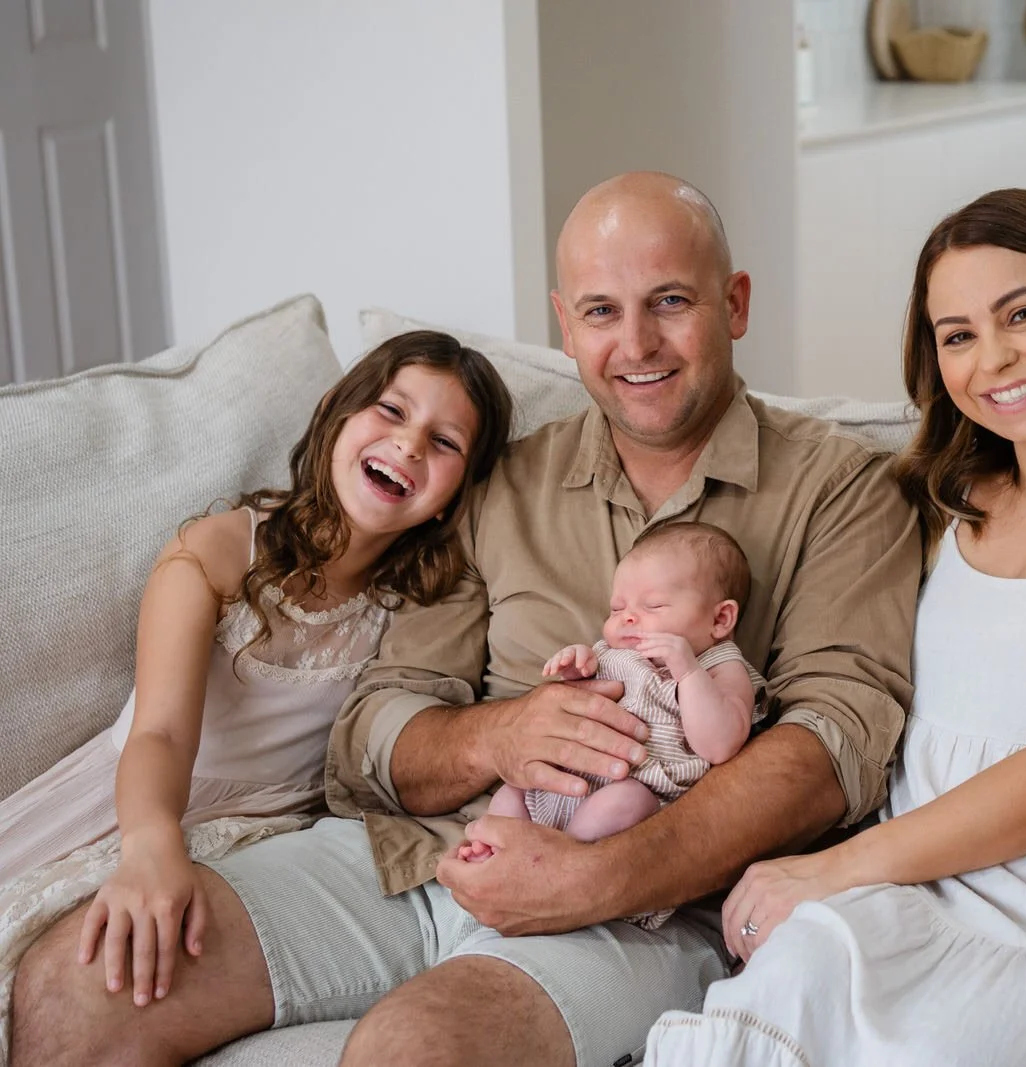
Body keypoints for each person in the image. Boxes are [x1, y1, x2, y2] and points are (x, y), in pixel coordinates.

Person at [11, 171, 920, 1067]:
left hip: (641, 906)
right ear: (565, 325)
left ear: (736, 302)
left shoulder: (841, 489)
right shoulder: (502, 480)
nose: (636, 342)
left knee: (417, 1048)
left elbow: (835, 745)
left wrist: (605, 871)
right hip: (419, 857)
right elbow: (375, 724)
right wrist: (500, 737)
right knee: (75, 984)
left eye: (671, 300)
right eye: (601, 311)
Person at [643, 187, 1026, 1065]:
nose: (996, 357)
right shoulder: (938, 504)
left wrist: (833, 868)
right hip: (905, 899)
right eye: (959, 334)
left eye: (1024, 312)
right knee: (772, 1004)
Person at [0, 330, 512, 1004]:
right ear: (334, 414)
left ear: (454, 494)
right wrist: (151, 845)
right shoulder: (216, 552)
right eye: (391, 411)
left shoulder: (420, 608)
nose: (410, 444)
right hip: (141, 802)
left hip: (265, 841)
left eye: (444, 441)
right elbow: (160, 734)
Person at [466, 522, 766, 923]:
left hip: (634, 802)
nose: (628, 620)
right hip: (562, 789)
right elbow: (584, 703)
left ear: (720, 619)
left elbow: (720, 745)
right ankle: (501, 854)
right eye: (617, 609)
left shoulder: (720, 667)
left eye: (654, 607)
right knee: (511, 791)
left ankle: (558, 870)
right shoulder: (612, 651)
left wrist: (687, 673)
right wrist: (578, 669)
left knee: (624, 800)